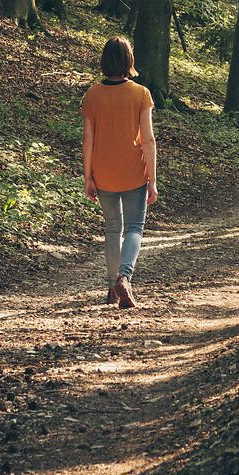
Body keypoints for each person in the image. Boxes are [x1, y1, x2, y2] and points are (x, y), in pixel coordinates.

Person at [81, 35, 157, 308]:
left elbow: (88, 140)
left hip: (103, 172)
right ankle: (125, 276)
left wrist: (88, 176)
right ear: (129, 60)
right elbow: (148, 139)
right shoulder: (141, 93)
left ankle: (112, 288)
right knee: (135, 227)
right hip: (134, 171)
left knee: (113, 229)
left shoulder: (92, 94)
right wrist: (153, 179)